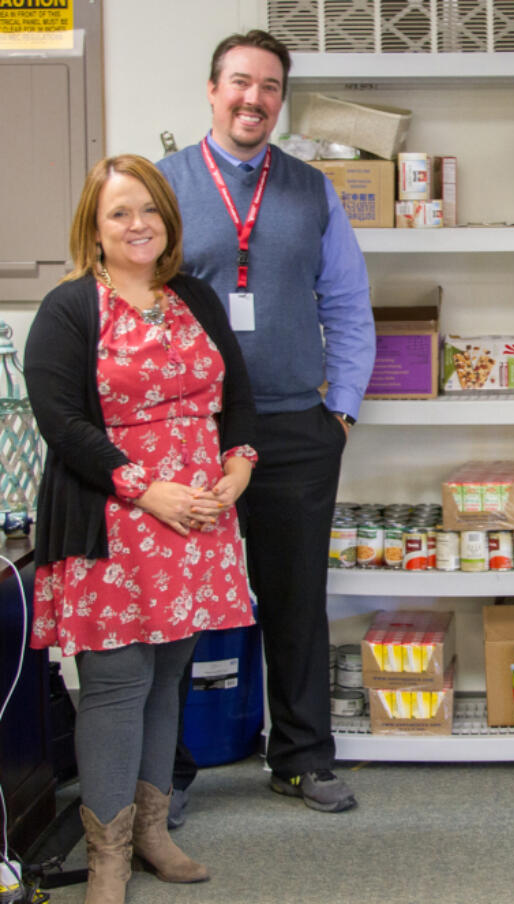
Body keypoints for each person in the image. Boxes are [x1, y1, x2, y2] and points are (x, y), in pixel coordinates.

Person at [24, 154, 258, 904]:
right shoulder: (69, 309)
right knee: (117, 683)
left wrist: (238, 467)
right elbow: (60, 423)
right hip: (115, 515)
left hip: (198, 520)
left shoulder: (191, 296)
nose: (138, 224)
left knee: (167, 679)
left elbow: (238, 395)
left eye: (150, 209)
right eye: (120, 212)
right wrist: (147, 490)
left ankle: (155, 831)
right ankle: (107, 855)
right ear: (94, 228)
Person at [158, 29, 375, 816]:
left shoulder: (311, 190)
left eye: (270, 88)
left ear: (281, 100)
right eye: (241, 83)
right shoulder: (165, 184)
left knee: (293, 599)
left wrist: (341, 410)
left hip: (292, 428)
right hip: (191, 434)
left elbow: (350, 306)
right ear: (213, 90)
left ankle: (300, 759)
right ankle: (167, 775)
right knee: (180, 607)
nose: (254, 99)